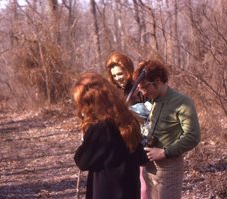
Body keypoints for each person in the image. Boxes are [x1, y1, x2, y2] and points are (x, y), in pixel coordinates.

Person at [72, 72, 148, 199]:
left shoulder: (100, 128)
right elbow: (141, 158)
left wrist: (86, 138)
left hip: (106, 192)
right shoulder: (129, 119)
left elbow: (82, 161)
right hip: (130, 191)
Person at [133, 60, 201, 199]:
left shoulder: (182, 102)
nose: (144, 93)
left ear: (157, 81)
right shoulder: (154, 102)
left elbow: (193, 136)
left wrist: (165, 152)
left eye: (145, 88)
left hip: (169, 168)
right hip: (149, 166)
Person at [105, 51, 149, 199]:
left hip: (141, 143)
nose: (118, 78)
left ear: (128, 70)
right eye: (115, 75)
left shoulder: (141, 89)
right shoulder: (112, 93)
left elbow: (151, 116)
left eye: (120, 73)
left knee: (143, 189)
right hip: (120, 147)